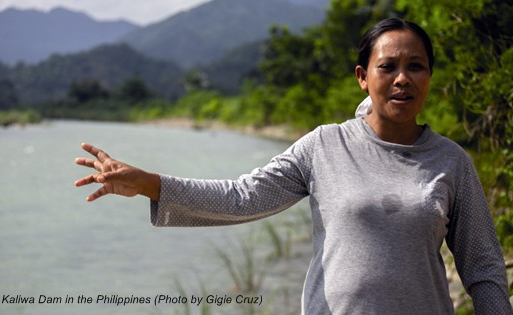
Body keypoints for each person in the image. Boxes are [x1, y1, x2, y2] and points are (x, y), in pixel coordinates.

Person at [75, 18, 512, 314]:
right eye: (388, 67)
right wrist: (150, 184)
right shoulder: (325, 145)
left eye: (415, 66)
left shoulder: (451, 162)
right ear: (363, 76)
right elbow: (242, 198)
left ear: (430, 77)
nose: (402, 78)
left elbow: (484, 269)